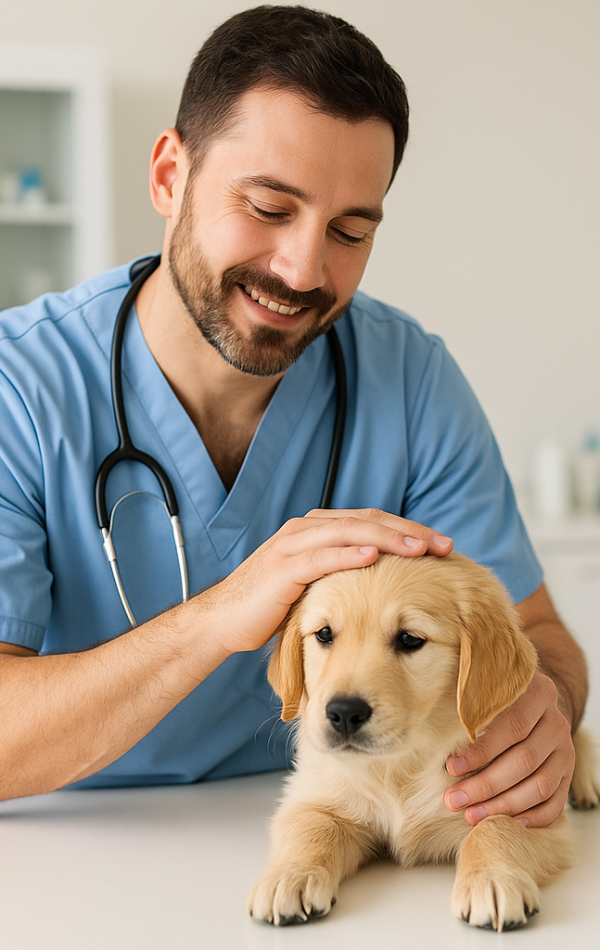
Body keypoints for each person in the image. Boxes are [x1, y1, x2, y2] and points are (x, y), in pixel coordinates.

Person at [0, 5, 587, 828]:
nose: (303, 268)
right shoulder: (19, 389)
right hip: (72, 840)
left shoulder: (409, 378)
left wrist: (546, 710)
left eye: (349, 230)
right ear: (170, 176)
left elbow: (534, 632)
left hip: (325, 826)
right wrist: (214, 619)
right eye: (270, 209)